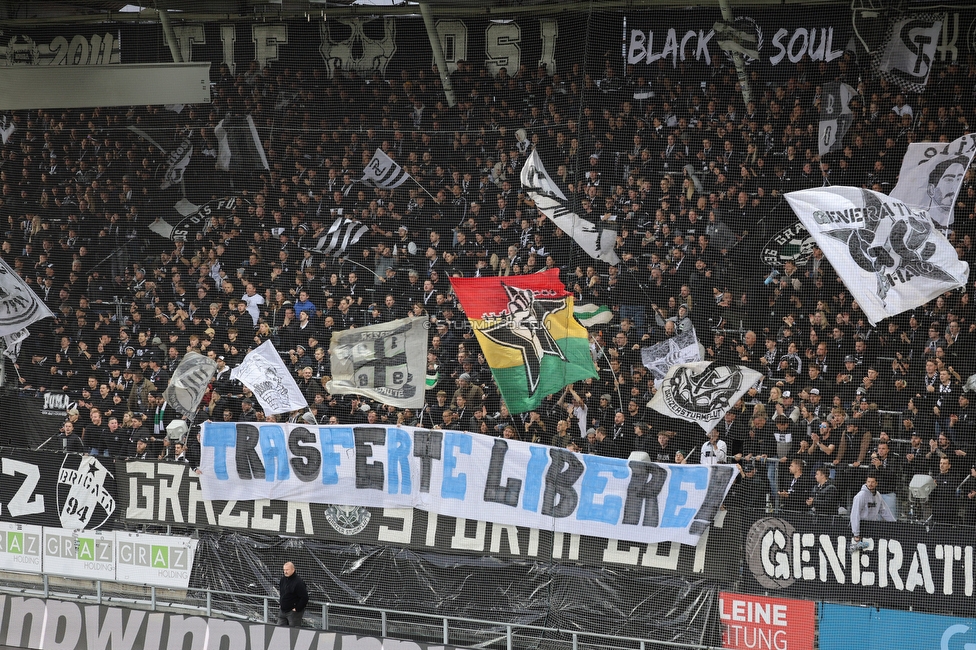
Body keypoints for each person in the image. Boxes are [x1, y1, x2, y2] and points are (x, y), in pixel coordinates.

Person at [850, 473, 896, 552]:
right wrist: (856, 533)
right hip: (862, 527)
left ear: (876, 483)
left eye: (872, 482)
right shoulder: (860, 496)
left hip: (872, 526)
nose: (870, 484)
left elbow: (884, 510)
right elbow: (855, 514)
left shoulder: (878, 495)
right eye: (868, 481)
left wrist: (894, 523)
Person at [277, 561, 309, 627]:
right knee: (279, 630)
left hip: (293, 613)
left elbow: (304, 597)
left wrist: (297, 608)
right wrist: (281, 604)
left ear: (293, 569)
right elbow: (282, 594)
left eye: (287, 570)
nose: (285, 571)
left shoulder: (298, 582)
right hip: (283, 610)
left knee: (294, 633)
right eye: (284, 570)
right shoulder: (283, 580)